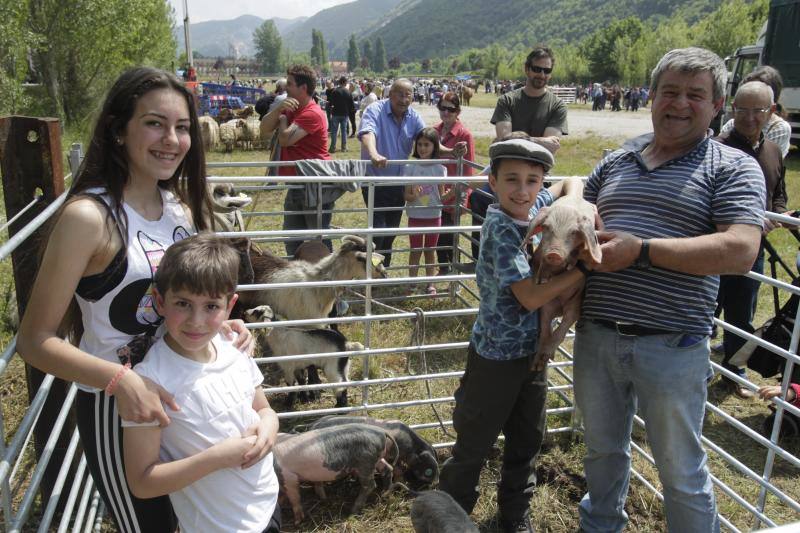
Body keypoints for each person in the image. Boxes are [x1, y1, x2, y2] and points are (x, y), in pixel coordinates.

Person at [17, 67, 254, 533]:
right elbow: (34, 340)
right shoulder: (89, 218)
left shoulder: (181, 208)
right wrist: (121, 381)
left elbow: (182, 302)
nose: (172, 140)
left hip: (186, 400)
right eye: (154, 124)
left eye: (182, 127)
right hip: (121, 411)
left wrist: (219, 326)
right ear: (118, 130)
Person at [573, 47, 766, 533]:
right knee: (601, 452)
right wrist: (569, 198)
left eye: (695, 95)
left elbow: (741, 249)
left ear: (716, 105)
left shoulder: (732, 166)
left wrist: (641, 251)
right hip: (597, 334)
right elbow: (579, 205)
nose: (680, 103)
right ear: (652, 96)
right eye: (670, 91)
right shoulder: (618, 159)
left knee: (680, 471)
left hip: (672, 344)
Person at [438, 136, 589, 533]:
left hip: (532, 353)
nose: (522, 190)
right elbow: (530, 297)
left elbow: (570, 181)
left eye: (532, 181)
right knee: (475, 440)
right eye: (511, 180)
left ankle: (515, 514)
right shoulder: (501, 229)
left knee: (527, 438)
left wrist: (571, 202)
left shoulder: (535, 209)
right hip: (496, 357)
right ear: (492, 181)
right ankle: (450, 515)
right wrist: (583, 270)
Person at [123, 234, 280, 533]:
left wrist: (270, 425)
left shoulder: (233, 345)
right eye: (183, 303)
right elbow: (142, 482)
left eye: (211, 306)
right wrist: (216, 458)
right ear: (160, 301)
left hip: (267, 503)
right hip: (217, 526)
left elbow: (263, 408)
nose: (196, 320)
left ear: (229, 306)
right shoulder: (150, 383)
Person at [714, 80, 788, 398]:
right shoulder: (717, 148)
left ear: (771, 112)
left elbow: (779, 194)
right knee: (706, 307)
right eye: (742, 110)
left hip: (753, 250)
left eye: (757, 110)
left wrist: (776, 215)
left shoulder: (773, 151)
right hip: (715, 246)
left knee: (742, 312)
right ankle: (694, 368)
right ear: (732, 109)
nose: (749, 118)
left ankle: (734, 372)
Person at [358, 78, 464, 266]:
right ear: (390, 94)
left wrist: (451, 151)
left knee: (391, 232)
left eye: (408, 95)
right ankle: (368, 270)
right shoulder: (375, 110)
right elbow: (368, 132)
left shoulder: (413, 116)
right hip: (375, 181)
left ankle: (382, 270)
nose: (404, 99)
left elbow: (428, 139)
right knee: (378, 231)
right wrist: (374, 153)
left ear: (413, 98)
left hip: (399, 183)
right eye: (399, 94)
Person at [260, 64, 332, 256]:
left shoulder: (312, 113)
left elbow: (284, 140)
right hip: (296, 182)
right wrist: (279, 110)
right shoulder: (291, 108)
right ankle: (297, 271)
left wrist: (283, 120)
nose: (286, 87)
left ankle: (327, 274)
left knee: (318, 238)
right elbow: (264, 129)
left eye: (290, 84)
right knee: (292, 237)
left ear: (303, 88)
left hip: (315, 185)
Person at [491, 46, 568, 153]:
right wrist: (540, 141)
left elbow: (550, 148)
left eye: (547, 70)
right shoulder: (507, 100)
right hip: (509, 162)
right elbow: (504, 141)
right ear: (527, 69)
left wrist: (517, 138)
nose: (542, 75)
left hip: (539, 164)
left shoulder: (558, 106)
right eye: (537, 69)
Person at [433, 92, 475, 275]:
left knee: (449, 233)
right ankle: (444, 267)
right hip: (434, 190)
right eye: (443, 108)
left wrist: (463, 197)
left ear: (458, 111)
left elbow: (468, 168)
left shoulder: (464, 134)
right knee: (436, 231)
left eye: (450, 109)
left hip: (453, 192)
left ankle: (452, 268)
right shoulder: (434, 131)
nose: (446, 112)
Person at [403, 128, 447, 296]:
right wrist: (413, 195)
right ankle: (412, 282)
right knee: (415, 250)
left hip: (434, 216)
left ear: (435, 146)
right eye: (420, 144)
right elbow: (406, 196)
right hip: (415, 216)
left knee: (430, 250)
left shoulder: (440, 169)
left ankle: (430, 284)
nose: (422, 148)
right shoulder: (410, 167)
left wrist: (454, 192)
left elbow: (442, 197)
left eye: (426, 145)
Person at [720, 66, 792, 158]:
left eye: (758, 110)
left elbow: (766, 161)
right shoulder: (731, 124)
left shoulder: (779, 128)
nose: (749, 118)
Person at [328, 76, 354, 153]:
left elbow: (331, 103)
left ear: (339, 82)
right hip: (345, 114)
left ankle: (332, 148)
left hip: (335, 113)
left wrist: (330, 104)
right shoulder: (348, 92)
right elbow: (351, 105)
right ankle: (344, 148)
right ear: (345, 83)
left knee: (334, 132)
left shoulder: (335, 91)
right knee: (344, 132)